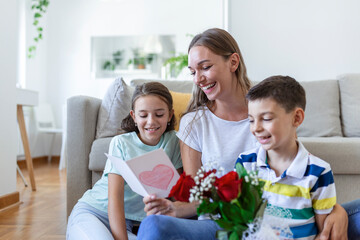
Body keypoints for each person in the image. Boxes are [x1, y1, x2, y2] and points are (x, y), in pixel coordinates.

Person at [137, 28, 352, 240]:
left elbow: (293, 171)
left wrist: (335, 210)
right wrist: (174, 209)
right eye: (193, 72)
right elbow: (196, 195)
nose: (198, 79)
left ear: (233, 62)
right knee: (153, 226)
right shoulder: (194, 123)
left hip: (274, 215)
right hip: (219, 223)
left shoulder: (268, 106)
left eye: (205, 67)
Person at [66, 82, 183, 240]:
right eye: (143, 115)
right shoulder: (120, 143)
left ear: (170, 115)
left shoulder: (174, 142)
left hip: (128, 224)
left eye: (159, 114)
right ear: (134, 116)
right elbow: (115, 200)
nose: (151, 121)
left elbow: (176, 194)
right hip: (93, 212)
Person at [236, 75, 336, 239]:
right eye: (251, 120)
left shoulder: (319, 172)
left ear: (296, 118)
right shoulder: (245, 163)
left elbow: (323, 233)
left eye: (266, 119)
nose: (256, 128)